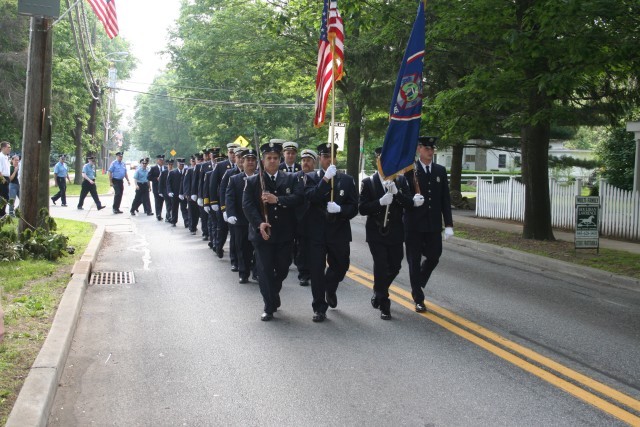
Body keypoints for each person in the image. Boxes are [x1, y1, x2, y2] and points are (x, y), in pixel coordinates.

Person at [242, 141, 302, 321]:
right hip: (262, 234)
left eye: (276, 158)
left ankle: (273, 292)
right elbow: (248, 205)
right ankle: (269, 305)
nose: (273, 161)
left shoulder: (291, 179)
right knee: (265, 270)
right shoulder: (253, 181)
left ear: (280, 158)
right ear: (263, 160)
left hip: (284, 233)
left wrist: (278, 200)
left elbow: (299, 198)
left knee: (283, 269)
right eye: (269, 158)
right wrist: (259, 223)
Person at [304, 143, 358, 322]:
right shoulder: (311, 177)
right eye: (325, 156)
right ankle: (319, 307)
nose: (328, 159)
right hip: (317, 232)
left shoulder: (347, 180)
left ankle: (330, 287)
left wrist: (340, 209)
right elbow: (311, 197)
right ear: (320, 158)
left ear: (336, 158)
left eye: (331, 156)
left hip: (339, 231)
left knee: (341, 266)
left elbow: (354, 208)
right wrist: (325, 180)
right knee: (317, 271)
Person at [359, 147, 413, 320]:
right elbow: (362, 208)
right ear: (377, 161)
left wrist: (397, 195)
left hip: (396, 231)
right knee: (381, 265)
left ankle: (379, 290)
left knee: (395, 265)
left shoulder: (401, 181)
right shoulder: (369, 182)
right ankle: (384, 302)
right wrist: (380, 202)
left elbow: (409, 204)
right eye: (381, 159)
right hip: (376, 232)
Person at [403, 136, 454, 312]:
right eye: (426, 148)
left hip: (432, 224)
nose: (430, 151)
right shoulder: (410, 170)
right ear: (419, 149)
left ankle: (419, 280)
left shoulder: (440, 170)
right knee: (414, 261)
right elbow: (402, 197)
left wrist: (448, 224)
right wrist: (412, 201)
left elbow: (444, 200)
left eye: (432, 148)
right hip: (414, 225)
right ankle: (418, 296)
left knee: (434, 256)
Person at [226, 149, 258, 284]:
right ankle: (243, 272)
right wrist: (230, 214)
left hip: (257, 220)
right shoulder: (234, 179)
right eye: (247, 160)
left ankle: (257, 272)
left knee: (259, 249)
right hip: (241, 219)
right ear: (242, 162)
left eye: (253, 160)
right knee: (242, 247)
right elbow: (230, 198)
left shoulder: (261, 177)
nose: (250, 162)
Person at [293, 148, 317, 286]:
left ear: (314, 162)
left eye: (308, 161)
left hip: (315, 218)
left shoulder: (318, 177)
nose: (305, 163)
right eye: (303, 160)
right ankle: (303, 273)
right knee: (301, 247)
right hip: (298, 218)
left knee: (314, 247)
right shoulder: (295, 177)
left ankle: (314, 271)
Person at [167, 158, 189, 228]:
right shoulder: (172, 172)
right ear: (177, 164)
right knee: (174, 208)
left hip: (183, 194)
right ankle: (173, 221)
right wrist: (169, 191)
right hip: (175, 194)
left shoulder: (186, 172)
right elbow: (168, 183)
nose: (181, 166)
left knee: (184, 208)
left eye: (182, 164)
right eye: (180, 164)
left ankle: (187, 222)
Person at [148, 154, 165, 221]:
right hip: (156, 187)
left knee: (162, 201)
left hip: (164, 188)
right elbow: (149, 177)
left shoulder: (165, 168)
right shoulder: (153, 168)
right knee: (157, 201)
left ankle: (165, 214)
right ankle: (158, 214)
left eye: (162, 160)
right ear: (157, 160)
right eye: (160, 160)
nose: (161, 161)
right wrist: (156, 178)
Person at [160, 158, 174, 222]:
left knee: (171, 205)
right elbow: (160, 183)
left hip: (172, 191)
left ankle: (168, 216)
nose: (170, 166)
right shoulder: (163, 172)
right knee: (168, 204)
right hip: (165, 191)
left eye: (171, 165)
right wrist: (160, 191)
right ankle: (168, 217)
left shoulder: (174, 172)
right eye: (169, 165)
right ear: (167, 165)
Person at [0, 141, 11, 217]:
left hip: (7, 177)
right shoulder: (1, 157)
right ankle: (1, 213)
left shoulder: (6, 157)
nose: (10, 149)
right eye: (8, 147)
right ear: (3, 148)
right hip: (2, 178)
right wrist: (4, 180)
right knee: (4, 197)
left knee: (6, 196)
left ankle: (3, 212)